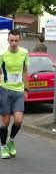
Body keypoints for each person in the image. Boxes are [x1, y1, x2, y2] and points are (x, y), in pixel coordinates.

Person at [0, 29, 29, 159]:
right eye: (11, 40)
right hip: (5, 90)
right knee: (5, 122)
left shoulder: (24, 53)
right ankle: (3, 146)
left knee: (18, 120)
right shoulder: (3, 54)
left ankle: (11, 141)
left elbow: (25, 71)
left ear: (19, 40)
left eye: (16, 40)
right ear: (8, 40)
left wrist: (26, 89)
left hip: (19, 91)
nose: (14, 43)